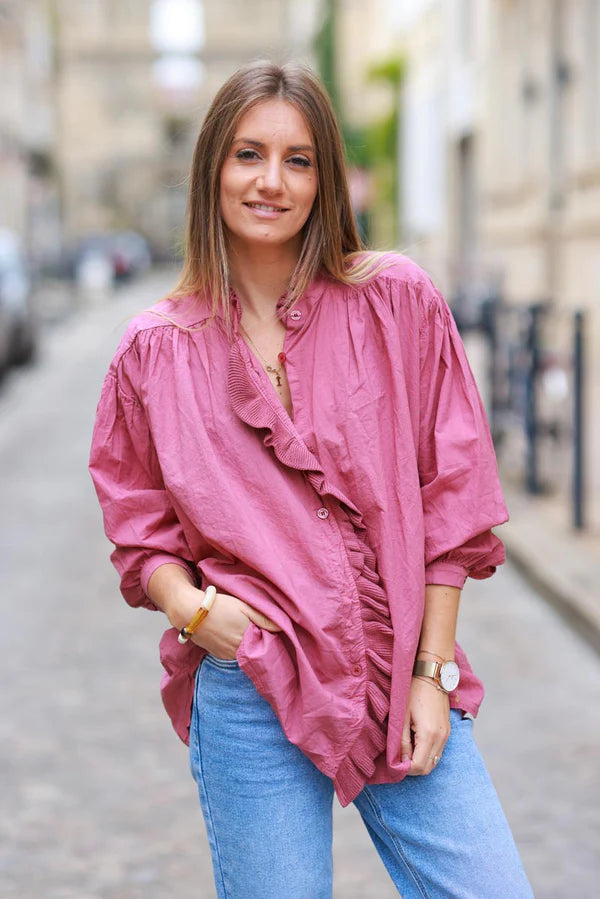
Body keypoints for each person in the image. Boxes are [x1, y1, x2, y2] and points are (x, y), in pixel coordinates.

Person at [89, 61, 533, 898]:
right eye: (248, 154)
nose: (270, 181)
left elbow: (453, 501)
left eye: (298, 160)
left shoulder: (397, 301)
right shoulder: (153, 351)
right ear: (211, 169)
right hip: (253, 680)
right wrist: (197, 613)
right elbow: (140, 531)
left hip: (399, 667)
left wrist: (431, 676)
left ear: (327, 178)